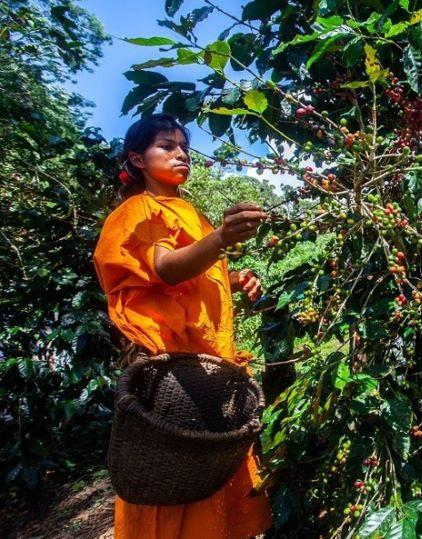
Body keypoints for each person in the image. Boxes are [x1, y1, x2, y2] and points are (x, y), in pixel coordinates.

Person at [93, 113, 271, 539]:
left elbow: (192, 277)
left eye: (184, 147)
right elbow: (166, 269)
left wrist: (231, 279)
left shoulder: (189, 213)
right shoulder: (140, 210)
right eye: (166, 146)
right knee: (174, 486)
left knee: (211, 475)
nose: (180, 154)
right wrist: (222, 240)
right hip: (171, 372)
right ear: (136, 158)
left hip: (208, 368)